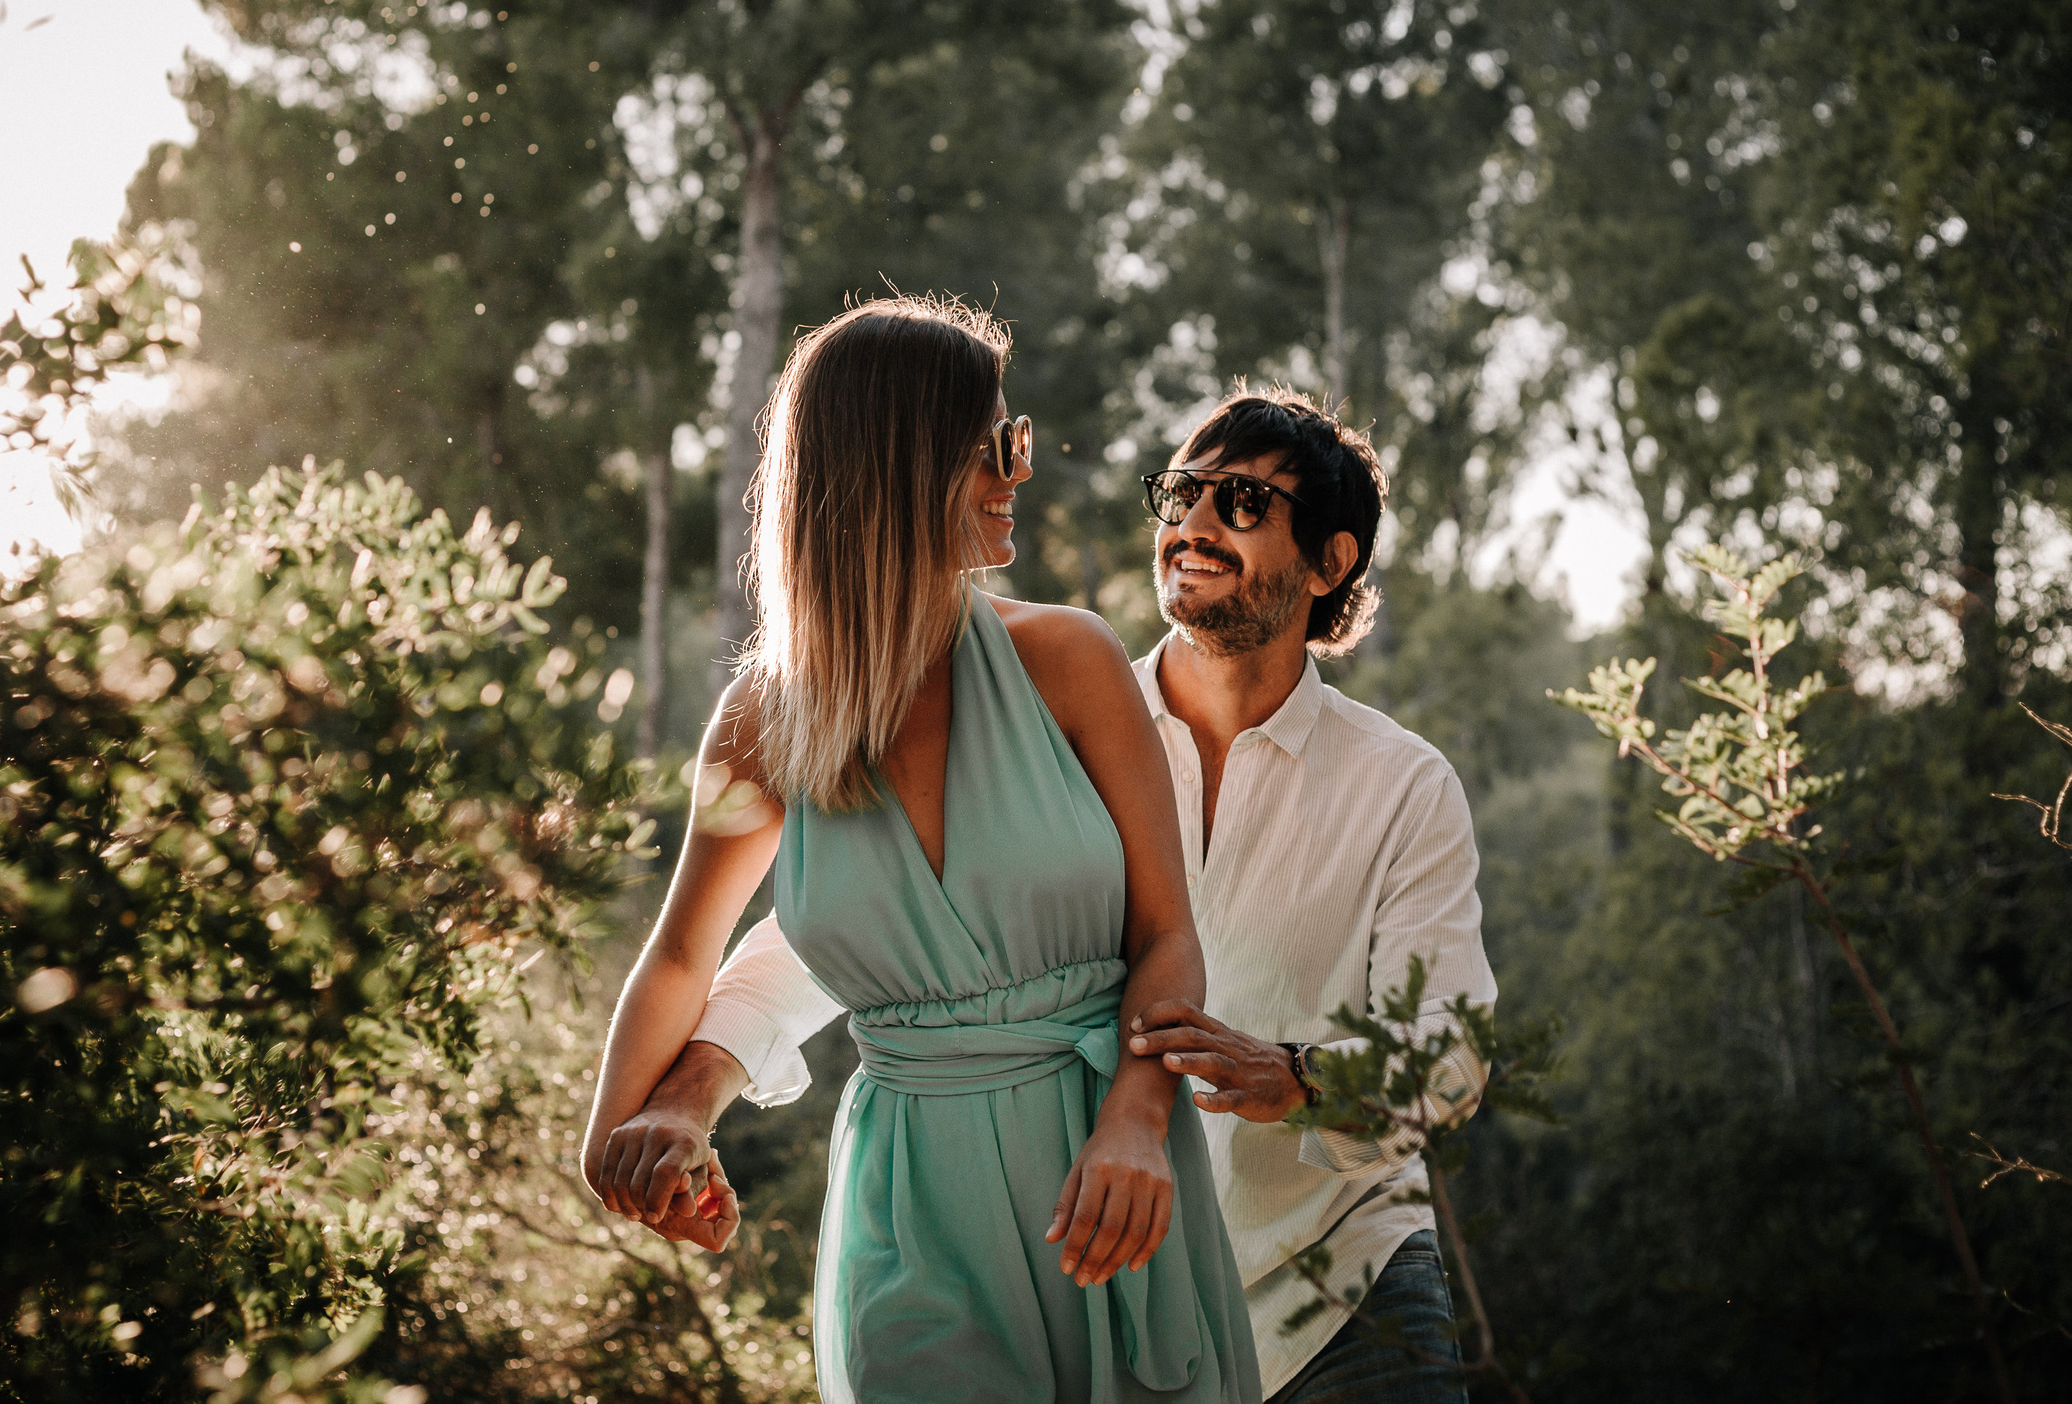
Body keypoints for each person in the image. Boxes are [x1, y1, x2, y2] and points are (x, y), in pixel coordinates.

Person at [600, 386, 1497, 1404]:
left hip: (1342, 1285)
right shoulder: (1052, 702)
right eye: (1182, 494)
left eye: (1244, 504)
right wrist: (683, 1096)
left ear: (1331, 562)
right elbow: (851, 937)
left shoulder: (1403, 783)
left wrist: (1297, 1074)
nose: (1194, 526)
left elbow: (1451, 1048)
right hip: (1085, 1271)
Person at [581, 296, 1261, 1404]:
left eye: (1017, 440)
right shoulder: (762, 723)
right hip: (910, 1205)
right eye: (996, 447)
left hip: (1108, 1178)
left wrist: (1139, 1120)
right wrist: (626, 1138)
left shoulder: (1069, 662)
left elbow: (1167, 938)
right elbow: (679, 959)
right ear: (899, 468)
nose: (1018, 473)